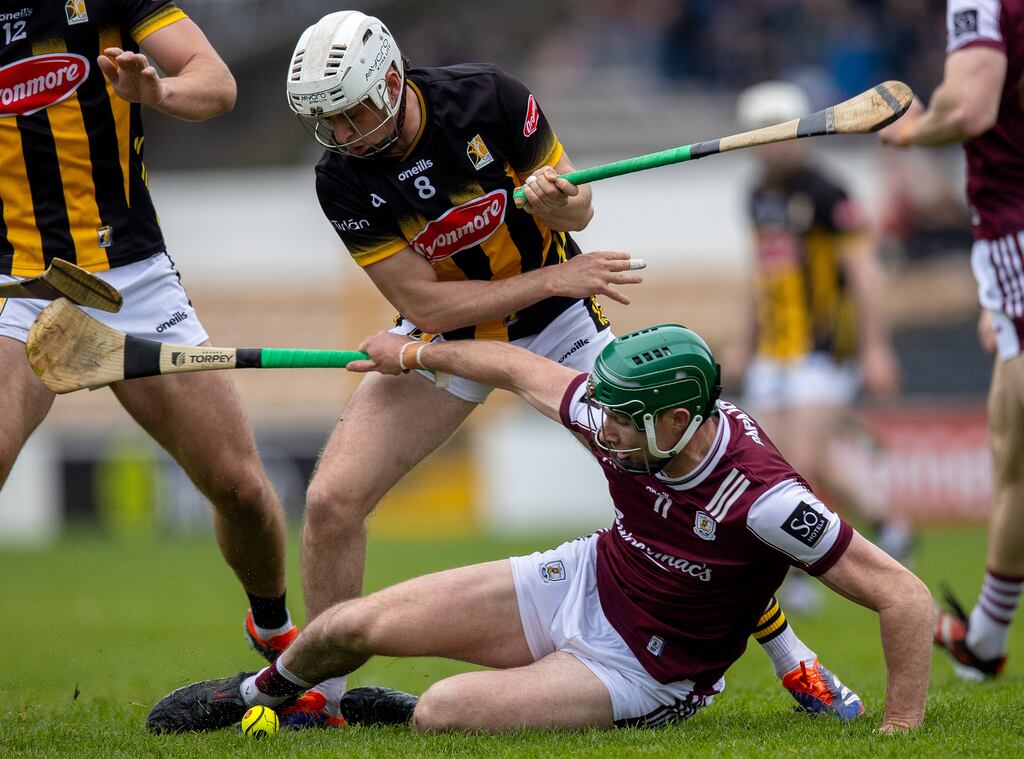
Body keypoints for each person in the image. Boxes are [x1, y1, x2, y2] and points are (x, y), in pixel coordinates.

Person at [276, 9, 853, 725]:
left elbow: (579, 210)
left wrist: (561, 205)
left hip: (562, 325)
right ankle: (319, 696)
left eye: (351, 112)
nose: (341, 133)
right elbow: (422, 297)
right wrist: (551, 278)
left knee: (668, 484)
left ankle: (794, 657)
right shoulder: (341, 177)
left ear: (391, 80)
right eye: (326, 121)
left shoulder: (487, 98)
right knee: (332, 501)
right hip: (450, 330)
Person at [146, 324, 933, 734]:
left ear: (677, 418)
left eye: (625, 423)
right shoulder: (623, 410)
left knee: (442, 711)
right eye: (609, 414)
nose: (605, 431)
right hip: (587, 578)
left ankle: (396, 709)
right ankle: (260, 695)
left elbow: (905, 596)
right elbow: (519, 367)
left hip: (646, 671)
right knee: (352, 621)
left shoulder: (761, 497)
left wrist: (901, 727)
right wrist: (414, 350)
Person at [0, 2, 296, 658]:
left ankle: (275, 634)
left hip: (133, 280)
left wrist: (159, 90)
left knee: (238, 486)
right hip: (23, 288)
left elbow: (215, 81)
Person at [879, 0, 1024, 680]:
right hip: (1006, 260)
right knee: (1009, 445)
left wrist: (913, 132)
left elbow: (969, 108)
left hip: (1014, 232)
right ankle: (987, 639)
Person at [731, 80, 907, 613]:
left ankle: (798, 576)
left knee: (798, 465)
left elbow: (864, 271)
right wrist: (743, 339)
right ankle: (888, 524)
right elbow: (757, 272)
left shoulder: (830, 193)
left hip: (824, 350)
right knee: (782, 465)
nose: (774, 147)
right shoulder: (756, 195)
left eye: (782, 135)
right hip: (773, 353)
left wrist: (876, 347)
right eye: (763, 137)